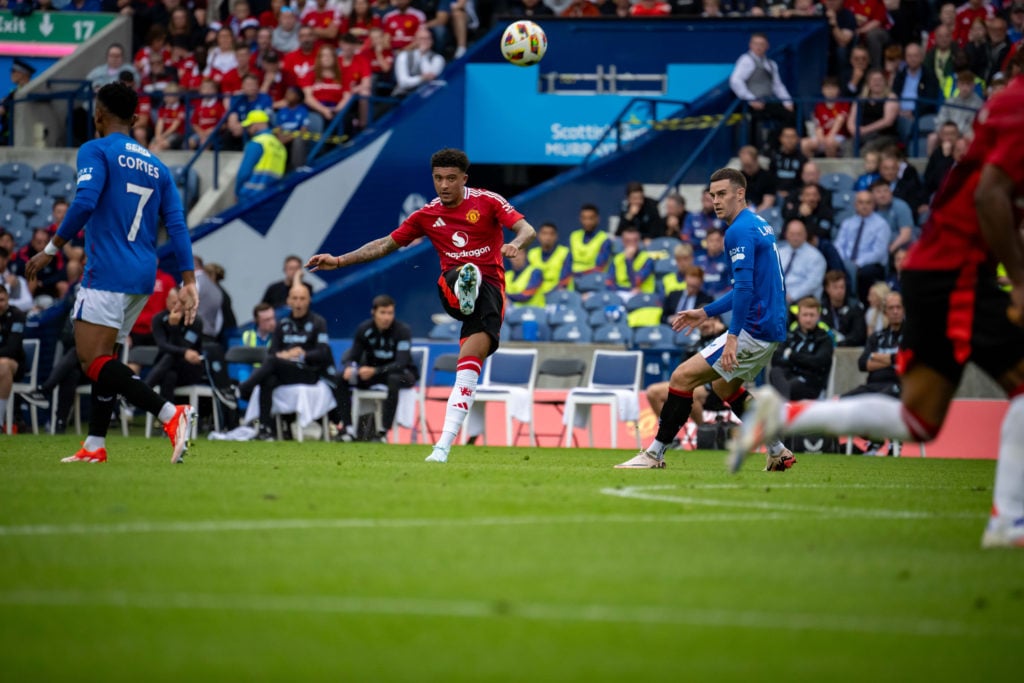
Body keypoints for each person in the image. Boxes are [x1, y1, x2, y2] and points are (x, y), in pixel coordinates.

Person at [734, 65, 1024, 546]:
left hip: (936, 271)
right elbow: (991, 195)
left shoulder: (1006, 103)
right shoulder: (1018, 107)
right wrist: (1018, 279)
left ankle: (782, 417)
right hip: (957, 272)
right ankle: (1008, 522)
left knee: (918, 420)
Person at [306, 147, 537, 463]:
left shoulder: (487, 201)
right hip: (451, 287)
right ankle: (464, 286)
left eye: (451, 179)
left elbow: (527, 228)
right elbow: (386, 244)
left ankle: (442, 446)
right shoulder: (426, 215)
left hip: (490, 293)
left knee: (468, 364)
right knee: (462, 272)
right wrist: (340, 260)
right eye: (438, 178)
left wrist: (516, 244)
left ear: (464, 179)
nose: (444, 185)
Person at [25, 82, 197, 463]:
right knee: (107, 358)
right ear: (135, 119)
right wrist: (189, 281)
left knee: (91, 359)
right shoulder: (158, 166)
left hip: (107, 270)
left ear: (98, 115)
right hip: (142, 275)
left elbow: (85, 201)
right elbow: (178, 225)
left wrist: (51, 248)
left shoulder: (96, 149)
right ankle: (95, 445)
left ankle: (171, 414)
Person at [614, 167, 793, 471]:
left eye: (722, 193)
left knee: (682, 377)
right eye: (712, 195)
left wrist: (732, 337)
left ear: (740, 193)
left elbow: (746, 289)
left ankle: (655, 453)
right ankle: (776, 450)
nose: (716, 201)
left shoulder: (738, 230)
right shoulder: (759, 224)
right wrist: (705, 311)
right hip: (770, 326)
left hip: (755, 327)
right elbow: (747, 288)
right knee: (725, 388)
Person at [235, 282, 334, 440]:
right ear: (289, 301)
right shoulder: (283, 324)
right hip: (285, 370)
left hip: (308, 372)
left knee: (273, 363)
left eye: (302, 298)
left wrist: (302, 354)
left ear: (309, 300)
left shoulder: (318, 322)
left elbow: (323, 352)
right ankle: (265, 429)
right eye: (295, 298)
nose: (299, 302)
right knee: (268, 379)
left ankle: (244, 388)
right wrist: (287, 355)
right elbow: (273, 352)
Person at [335, 294, 418, 442]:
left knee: (394, 378)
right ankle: (347, 429)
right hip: (373, 374)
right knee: (340, 377)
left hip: (401, 374)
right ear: (373, 312)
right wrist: (349, 367)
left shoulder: (402, 331)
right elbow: (353, 355)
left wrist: (374, 371)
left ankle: (382, 432)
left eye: (390, 313)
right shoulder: (364, 329)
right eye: (383, 313)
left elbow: (401, 362)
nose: (386, 317)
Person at [728, 32, 795, 151]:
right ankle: (755, 148)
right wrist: (750, 99)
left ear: (767, 46)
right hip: (751, 103)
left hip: (768, 101)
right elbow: (735, 81)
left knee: (790, 114)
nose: (758, 47)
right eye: (755, 44)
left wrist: (788, 102)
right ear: (750, 45)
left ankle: (772, 143)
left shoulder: (771, 64)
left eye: (761, 44)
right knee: (755, 118)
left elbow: (777, 86)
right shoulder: (745, 60)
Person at [146, 288, 206, 402]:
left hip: (189, 368)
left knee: (171, 357)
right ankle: (169, 417)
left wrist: (174, 328)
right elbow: (162, 345)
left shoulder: (195, 321)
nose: (177, 307)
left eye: (181, 303)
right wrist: (184, 352)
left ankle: (144, 389)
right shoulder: (158, 319)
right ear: (167, 301)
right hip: (165, 368)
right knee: (169, 376)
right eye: (174, 303)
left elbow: (185, 346)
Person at [768, 296, 834, 400]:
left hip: (809, 383)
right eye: (805, 315)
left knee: (786, 387)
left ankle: (782, 406)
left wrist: (791, 356)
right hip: (789, 378)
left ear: (818, 316)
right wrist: (802, 361)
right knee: (775, 371)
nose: (808, 319)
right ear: (798, 315)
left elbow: (818, 363)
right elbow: (775, 360)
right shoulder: (791, 335)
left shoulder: (824, 338)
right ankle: (784, 402)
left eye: (812, 315)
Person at [834, 190, 890, 305]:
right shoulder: (848, 223)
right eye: (861, 202)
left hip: (870, 264)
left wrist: (858, 263)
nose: (864, 206)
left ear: (873, 205)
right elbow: (839, 244)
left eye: (868, 203)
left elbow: (879, 252)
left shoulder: (881, 224)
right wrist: (844, 261)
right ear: (855, 205)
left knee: (864, 274)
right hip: (847, 262)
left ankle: (863, 305)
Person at [235, 110, 287, 201]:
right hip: (270, 198)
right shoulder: (281, 147)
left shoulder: (257, 142)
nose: (248, 129)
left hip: (250, 196)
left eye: (249, 125)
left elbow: (244, 173)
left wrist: (237, 191)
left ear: (257, 124)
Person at [777, 218, 826, 304]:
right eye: (792, 234)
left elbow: (812, 284)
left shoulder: (815, 257)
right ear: (786, 235)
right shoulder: (780, 253)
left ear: (805, 235)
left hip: (801, 300)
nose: (795, 238)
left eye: (799, 234)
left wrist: (791, 296)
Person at [392, 26, 446, 97]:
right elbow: (403, 82)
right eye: (421, 39)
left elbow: (430, 79)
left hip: (427, 96)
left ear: (432, 41)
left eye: (427, 38)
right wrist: (421, 78)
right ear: (415, 41)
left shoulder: (438, 59)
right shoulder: (403, 56)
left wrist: (423, 55)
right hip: (403, 95)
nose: (425, 41)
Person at [0, 284, 26, 431]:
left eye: (2, 300)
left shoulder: (17, 315)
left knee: (2, 365)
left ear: (8, 299)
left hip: (16, 365)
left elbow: (12, 349)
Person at [606, 224, 654, 299]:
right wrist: (626, 290)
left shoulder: (647, 259)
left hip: (643, 297)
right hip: (620, 294)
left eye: (634, 241)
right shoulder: (616, 259)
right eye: (627, 241)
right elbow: (609, 283)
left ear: (639, 241)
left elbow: (635, 282)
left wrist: (628, 260)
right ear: (622, 242)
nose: (631, 244)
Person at [820, 269, 866, 346]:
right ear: (827, 288)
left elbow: (858, 335)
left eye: (842, 287)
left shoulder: (855, 307)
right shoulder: (821, 308)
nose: (839, 291)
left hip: (850, 348)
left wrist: (841, 343)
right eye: (835, 287)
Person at [527, 222, 571, 298]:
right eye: (544, 233)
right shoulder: (531, 254)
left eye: (551, 234)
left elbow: (564, 281)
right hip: (535, 297)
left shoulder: (565, 252)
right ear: (538, 236)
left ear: (556, 236)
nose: (548, 237)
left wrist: (550, 294)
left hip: (559, 295)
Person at [569, 204, 611, 276]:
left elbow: (600, 267)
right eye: (584, 218)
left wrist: (580, 274)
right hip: (571, 280)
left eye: (591, 218)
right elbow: (567, 261)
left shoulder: (604, 239)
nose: (587, 222)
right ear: (580, 219)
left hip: (593, 281)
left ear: (597, 219)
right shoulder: (574, 236)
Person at [769, 126, 805, 199]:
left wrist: (791, 193)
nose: (789, 140)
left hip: (795, 197)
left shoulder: (803, 159)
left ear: (797, 139)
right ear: (781, 139)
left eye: (792, 137)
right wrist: (776, 191)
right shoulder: (774, 157)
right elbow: (770, 178)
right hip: (775, 195)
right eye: (787, 137)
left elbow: (803, 183)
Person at [694, 228, 730, 299]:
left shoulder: (729, 260)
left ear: (722, 242)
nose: (714, 243)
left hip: (721, 298)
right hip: (701, 299)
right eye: (711, 240)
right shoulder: (698, 261)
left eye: (717, 240)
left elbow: (731, 285)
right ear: (706, 242)